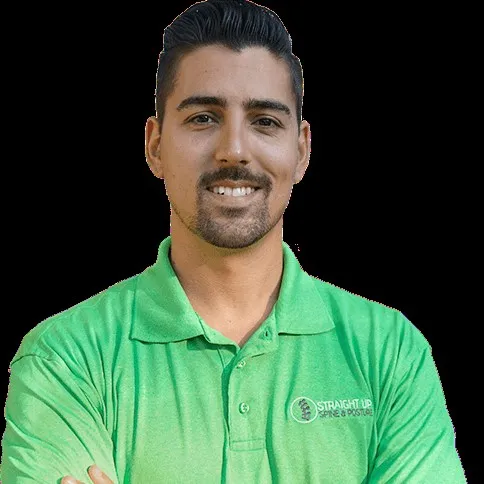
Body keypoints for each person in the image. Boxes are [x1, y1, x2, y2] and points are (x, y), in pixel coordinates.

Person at [1, 0, 466, 482]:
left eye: (265, 121)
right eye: (203, 118)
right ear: (155, 146)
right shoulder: (65, 359)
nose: (234, 151)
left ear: (301, 150)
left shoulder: (390, 352)